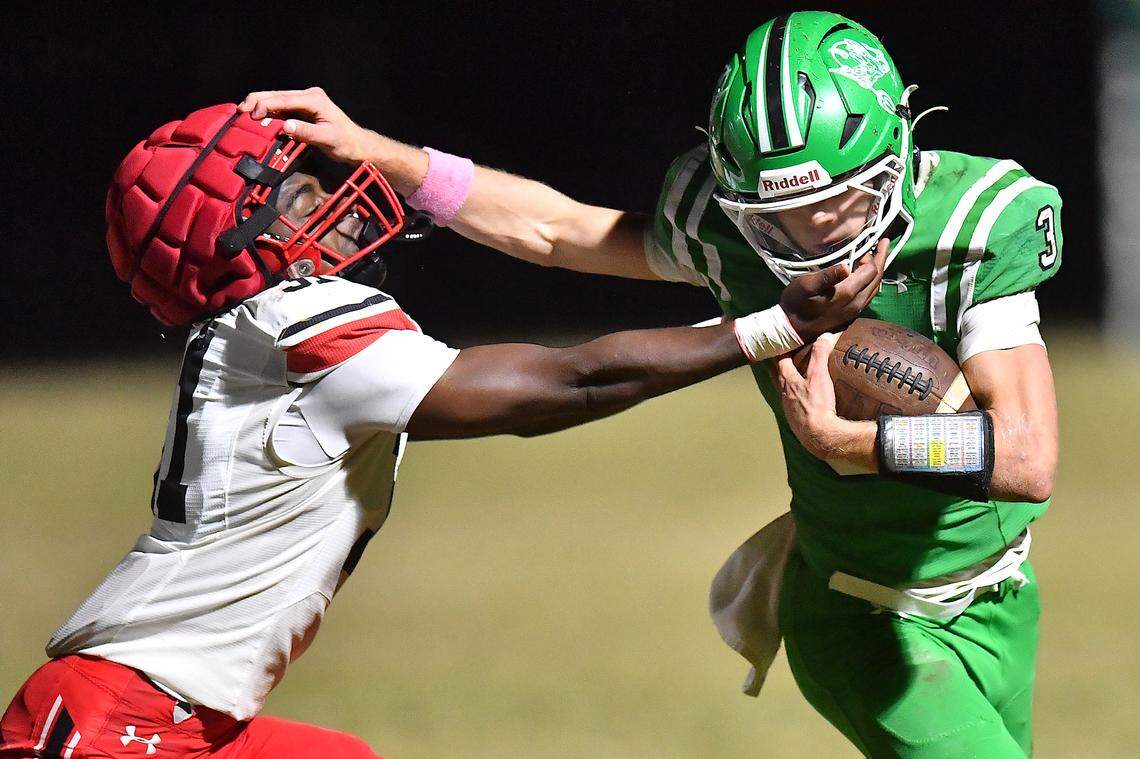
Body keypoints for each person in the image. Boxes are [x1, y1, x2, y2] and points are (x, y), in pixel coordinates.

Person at [239, 9, 1063, 757]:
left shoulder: (971, 226)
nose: (810, 237)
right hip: (860, 609)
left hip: (1001, 596)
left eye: (837, 207)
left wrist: (850, 440)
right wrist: (381, 151)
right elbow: (558, 229)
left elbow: (1025, 458)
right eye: (779, 218)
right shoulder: (729, 237)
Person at [0, 101, 881, 758]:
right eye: (305, 193)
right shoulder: (300, 328)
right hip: (120, 725)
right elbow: (570, 381)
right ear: (251, 247)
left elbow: (546, 235)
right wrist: (773, 326)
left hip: (155, 712)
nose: (342, 201)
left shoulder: (257, 337)